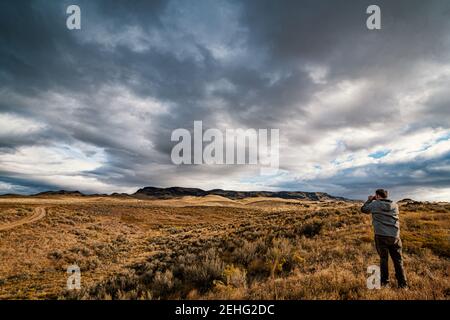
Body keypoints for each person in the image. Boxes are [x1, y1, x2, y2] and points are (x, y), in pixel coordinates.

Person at [361, 189, 408, 288]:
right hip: (395, 236)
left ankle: (385, 283)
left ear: (377, 196)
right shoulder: (395, 205)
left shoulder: (375, 204)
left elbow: (364, 209)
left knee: (384, 259)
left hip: (381, 236)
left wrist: (370, 200)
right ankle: (403, 285)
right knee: (398, 260)